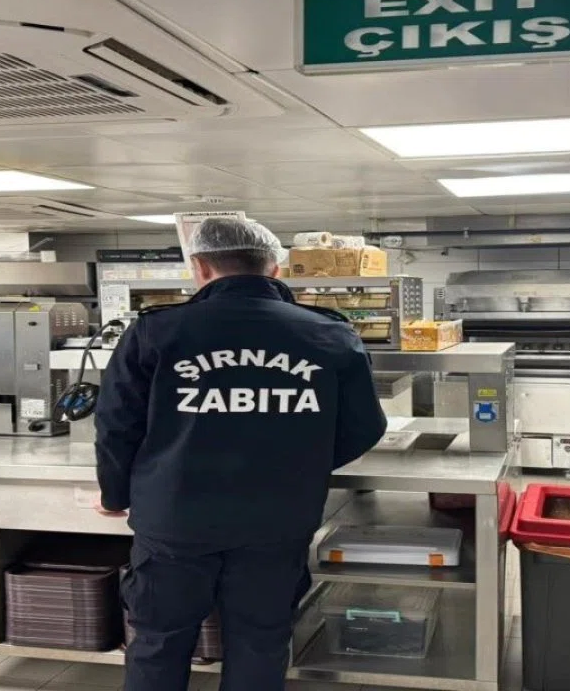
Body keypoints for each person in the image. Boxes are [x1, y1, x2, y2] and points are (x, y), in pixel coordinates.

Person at [93, 218, 387, 691]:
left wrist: (115, 494)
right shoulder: (329, 334)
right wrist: (299, 461)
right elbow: (365, 427)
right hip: (278, 518)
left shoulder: (157, 331)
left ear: (201, 266)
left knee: (159, 640)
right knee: (261, 641)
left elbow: (116, 425)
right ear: (274, 268)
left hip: (174, 518)